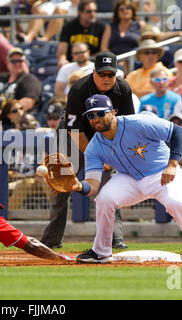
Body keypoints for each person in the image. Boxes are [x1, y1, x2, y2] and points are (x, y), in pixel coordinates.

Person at [72, 93, 182, 263]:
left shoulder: (138, 123)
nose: (96, 118)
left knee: (175, 202)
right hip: (128, 178)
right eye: (91, 115)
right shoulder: (94, 146)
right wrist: (79, 186)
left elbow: (177, 132)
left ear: (113, 112)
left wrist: (172, 164)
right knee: (104, 199)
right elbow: (92, 185)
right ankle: (100, 252)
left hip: (161, 172)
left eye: (100, 113)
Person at [40, 51, 133, 249]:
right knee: (61, 186)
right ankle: (51, 239)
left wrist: (113, 155)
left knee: (109, 187)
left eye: (111, 74)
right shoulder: (79, 89)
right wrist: (96, 155)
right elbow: (76, 132)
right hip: (71, 137)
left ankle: (114, 238)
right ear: (94, 72)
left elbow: (126, 125)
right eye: (102, 74)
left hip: (104, 137)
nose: (106, 78)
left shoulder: (123, 89)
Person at [0, 47, 42, 114]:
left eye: (20, 61)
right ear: (8, 63)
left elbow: (28, 103)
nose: (17, 64)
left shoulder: (30, 80)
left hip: (17, 120)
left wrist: (4, 114)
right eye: (13, 61)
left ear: (25, 62)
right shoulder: (2, 77)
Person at [56, 0, 106, 69]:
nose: (93, 14)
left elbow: (104, 50)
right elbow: (62, 51)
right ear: (80, 12)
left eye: (94, 11)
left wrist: (86, 59)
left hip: (93, 65)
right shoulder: (69, 26)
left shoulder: (101, 27)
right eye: (89, 11)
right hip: (73, 64)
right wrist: (62, 59)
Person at [100, 0, 144, 74]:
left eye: (128, 8)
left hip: (134, 61)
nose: (125, 11)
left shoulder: (140, 25)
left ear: (132, 10)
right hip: (114, 63)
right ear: (117, 12)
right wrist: (115, 60)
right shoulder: (110, 27)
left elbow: (152, 37)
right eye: (121, 9)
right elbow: (104, 48)